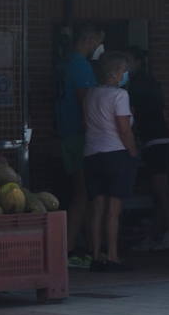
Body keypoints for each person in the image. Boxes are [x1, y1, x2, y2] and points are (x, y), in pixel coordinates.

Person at [82, 52, 139, 271]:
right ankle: (113, 255)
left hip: (92, 153)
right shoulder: (120, 96)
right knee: (114, 210)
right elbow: (123, 128)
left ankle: (96, 254)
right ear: (115, 74)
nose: (126, 74)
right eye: (124, 71)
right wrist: (132, 151)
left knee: (97, 207)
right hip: (115, 152)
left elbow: (86, 122)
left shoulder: (91, 94)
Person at [56, 25, 103, 267]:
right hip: (79, 135)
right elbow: (86, 101)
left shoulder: (65, 64)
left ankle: (80, 245)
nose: (98, 47)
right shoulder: (80, 66)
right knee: (83, 193)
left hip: (66, 133)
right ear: (89, 39)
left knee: (81, 191)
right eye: (97, 41)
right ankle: (69, 247)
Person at [127, 48, 169, 252]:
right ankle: (157, 234)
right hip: (159, 140)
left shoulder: (137, 85)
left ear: (138, 61)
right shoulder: (152, 83)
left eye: (129, 60)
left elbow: (131, 115)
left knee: (162, 190)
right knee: (158, 192)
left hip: (155, 141)